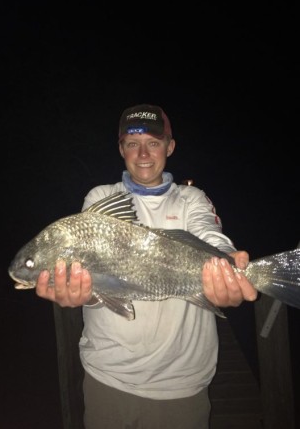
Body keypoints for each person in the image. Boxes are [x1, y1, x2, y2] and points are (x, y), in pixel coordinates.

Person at [36, 104, 258, 429]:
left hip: (182, 384)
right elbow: (90, 270)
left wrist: (229, 271)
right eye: (132, 142)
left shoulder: (191, 198)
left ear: (169, 146)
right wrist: (77, 294)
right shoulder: (101, 198)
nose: (142, 153)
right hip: (107, 378)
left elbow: (210, 236)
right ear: (121, 149)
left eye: (153, 142)